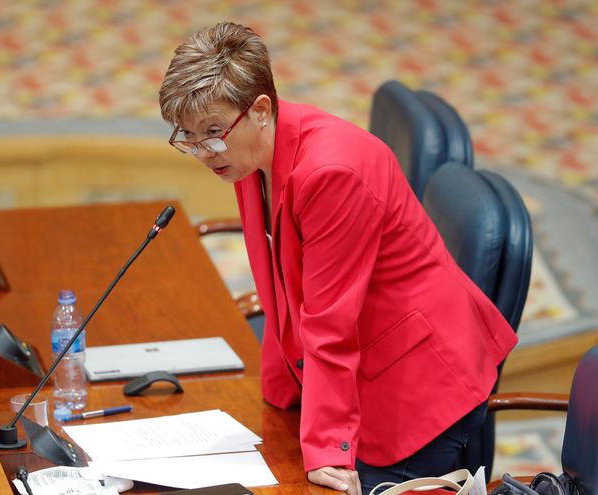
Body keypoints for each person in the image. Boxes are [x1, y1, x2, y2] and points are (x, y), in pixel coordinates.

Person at [158, 22, 518, 495]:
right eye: (189, 136)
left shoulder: (331, 172)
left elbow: (330, 319)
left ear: (261, 109)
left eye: (212, 133)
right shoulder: (249, 153)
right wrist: (281, 397)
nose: (204, 152)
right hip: (362, 373)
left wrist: (327, 446)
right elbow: (281, 287)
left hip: (418, 387)